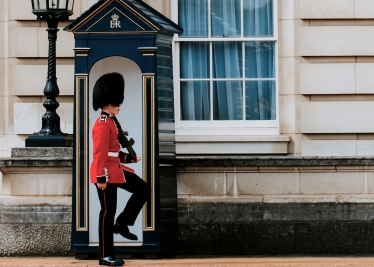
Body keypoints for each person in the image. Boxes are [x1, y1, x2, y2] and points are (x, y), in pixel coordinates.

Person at [90, 72, 151, 266]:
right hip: (105, 173)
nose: (119, 105)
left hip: (115, 168)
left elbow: (112, 151)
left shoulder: (111, 121)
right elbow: (99, 154)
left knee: (142, 189)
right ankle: (105, 255)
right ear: (106, 103)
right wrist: (101, 178)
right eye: (115, 102)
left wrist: (129, 158)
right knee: (107, 212)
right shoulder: (102, 124)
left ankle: (123, 223)